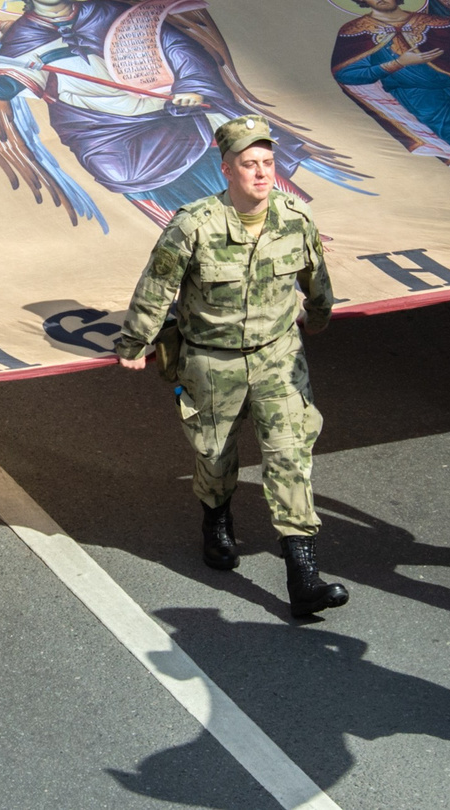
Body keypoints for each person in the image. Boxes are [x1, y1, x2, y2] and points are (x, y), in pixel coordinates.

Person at [112, 117, 348, 615]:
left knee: (289, 456)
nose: (262, 174)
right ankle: (216, 521)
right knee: (215, 457)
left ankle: (303, 578)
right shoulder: (193, 224)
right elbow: (157, 288)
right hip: (210, 360)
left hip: (277, 357)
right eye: (249, 165)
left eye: (267, 163)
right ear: (226, 170)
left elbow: (316, 279)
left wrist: (321, 316)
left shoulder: (295, 218)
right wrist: (135, 343)